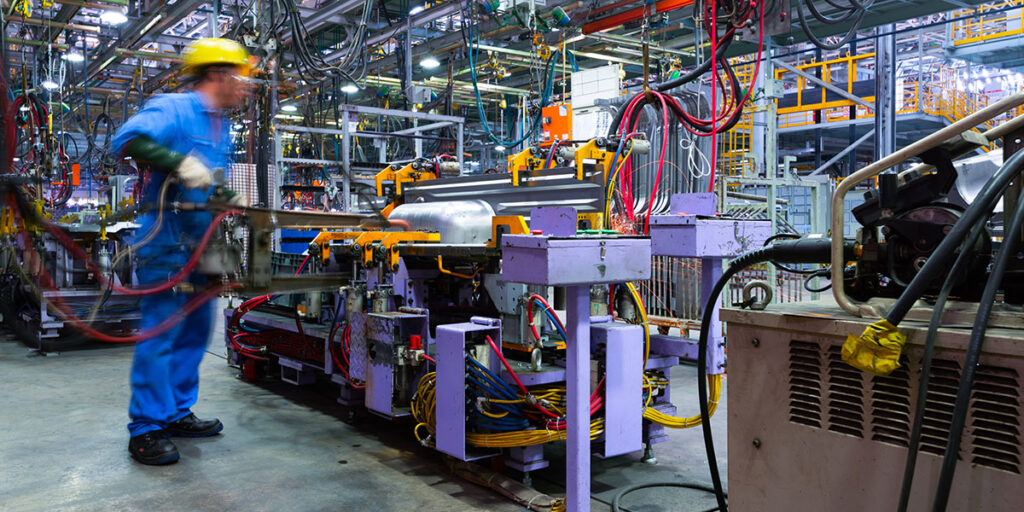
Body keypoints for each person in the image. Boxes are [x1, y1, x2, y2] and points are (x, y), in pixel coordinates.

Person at [111, 38, 250, 465]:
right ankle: (146, 427)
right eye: (240, 77)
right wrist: (179, 163)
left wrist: (225, 193)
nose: (244, 87)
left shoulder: (219, 124)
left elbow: (207, 179)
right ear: (218, 74)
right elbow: (126, 140)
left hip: (203, 244)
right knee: (161, 333)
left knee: (195, 331)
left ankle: (175, 411)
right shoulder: (174, 107)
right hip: (166, 242)